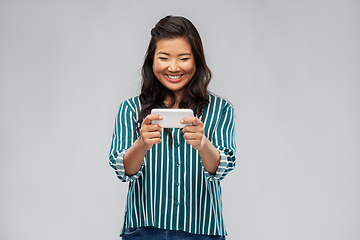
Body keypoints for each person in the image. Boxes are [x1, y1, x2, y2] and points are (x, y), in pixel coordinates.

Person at [109, 15, 236, 240]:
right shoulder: (130, 109)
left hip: (202, 230)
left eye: (184, 58)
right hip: (144, 229)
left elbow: (222, 169)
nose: (174, 67)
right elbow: (123, 171)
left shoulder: (221, 110)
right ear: (152, 61)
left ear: (196, 61)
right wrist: (142, 144)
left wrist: (203, 144)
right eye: (164, 58)